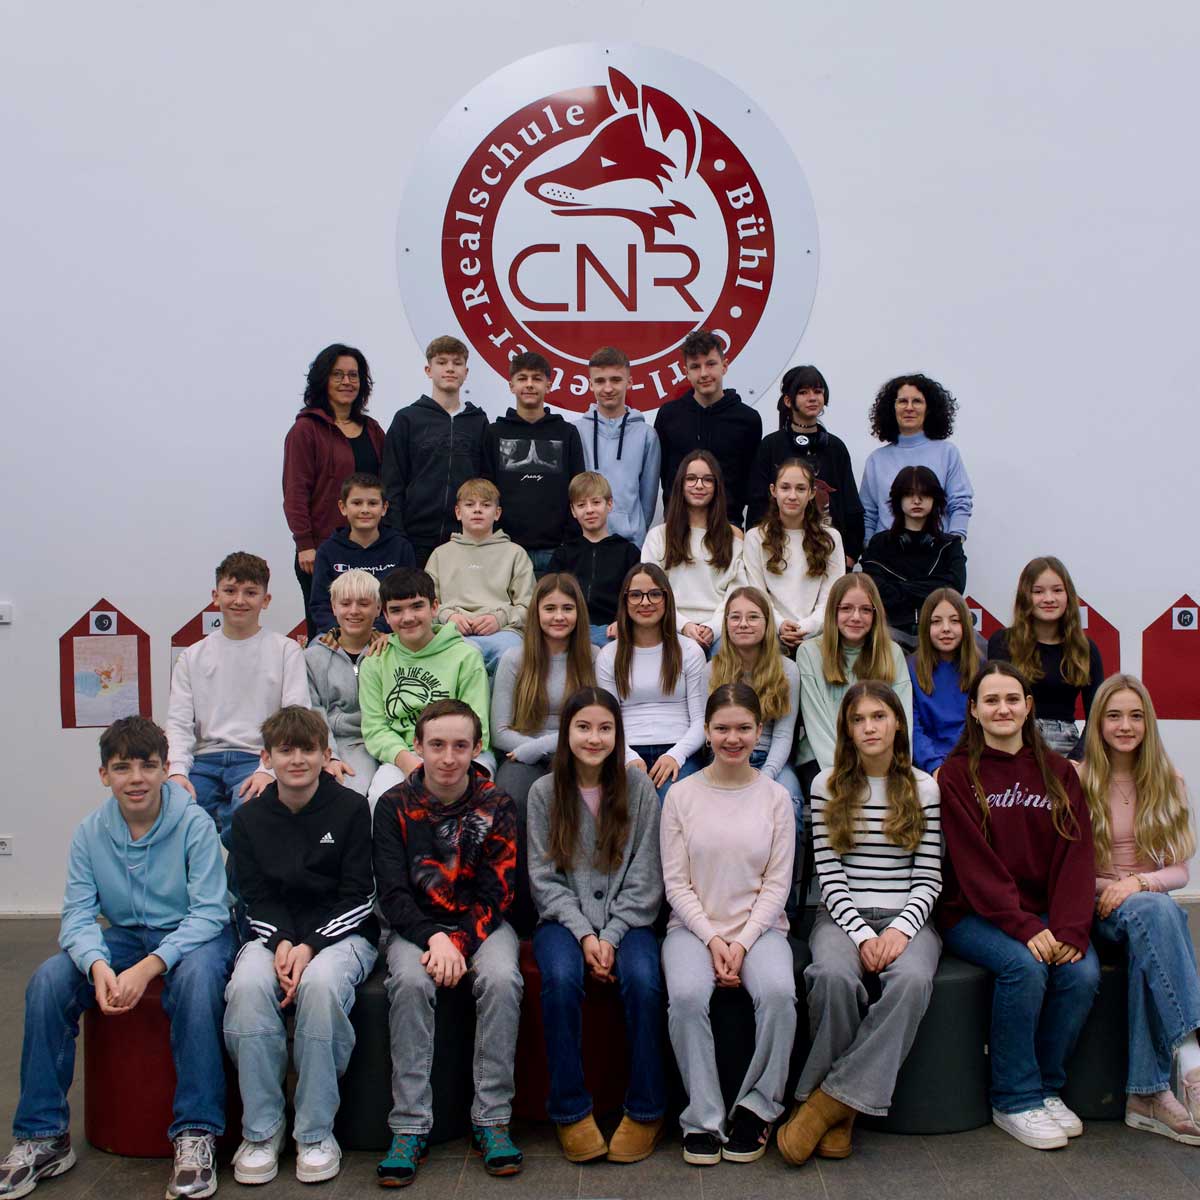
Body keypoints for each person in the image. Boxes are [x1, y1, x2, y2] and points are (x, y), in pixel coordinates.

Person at [0, 718, 233, 1200]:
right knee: (48, 981)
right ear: (104, 774)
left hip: (194, 934)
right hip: (124, 936)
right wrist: (98, 965)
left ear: (166, 770)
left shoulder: (194, 824)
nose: (136, 778)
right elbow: (77, 915)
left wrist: (149, 967)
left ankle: (197, 1133)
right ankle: (44, 1137)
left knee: (196, 983)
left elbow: (211, 912)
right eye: (123, 767)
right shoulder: (90, 832)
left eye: (148, 766)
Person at [777, 682, 941, 1165]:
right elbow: (830, 878)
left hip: (908, 916)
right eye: (858, 719)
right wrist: (864, 934)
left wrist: (899, 930)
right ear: (846, 729)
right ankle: (841, 1112)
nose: (869, 727)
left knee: (911, 981)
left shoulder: (924, 787)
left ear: (897, 724)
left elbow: (929, 878)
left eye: (879, 717)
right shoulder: (825, 785)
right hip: (841, 915)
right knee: (831, 976)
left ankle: (824, 1103)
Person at [939, 662, 1100, 1151]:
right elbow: (974, 867)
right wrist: (1024, 926)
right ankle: (1013, 1098)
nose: (1003, 709)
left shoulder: (1059, 772)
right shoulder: (956, 774)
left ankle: (1047, 1088)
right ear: (974, 710)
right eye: (991, 700)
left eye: (1012, 699)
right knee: (1024, 967)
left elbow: (1077, 855)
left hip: (1045, 916)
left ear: (1028, 707)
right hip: (974, 914)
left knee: (1082, 972)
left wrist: (1071, 929)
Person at [223, 707, 378, 1186]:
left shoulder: (352, 808)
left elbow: (360, 895)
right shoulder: (248, 819)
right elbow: (253, 897)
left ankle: (314, 1132)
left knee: (322, 987)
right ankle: (261, 1131)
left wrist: (308, 946)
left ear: (326, 755)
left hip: (342, 935)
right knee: (247, 988)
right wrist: (283, 942)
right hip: (272, 935)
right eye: (285, 750)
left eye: (307, 749)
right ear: (266, 758)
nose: (297, 760)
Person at [373, 700, 524, 1186]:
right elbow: (392, 895)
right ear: (418, 746)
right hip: (415, 926)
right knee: (410, 984)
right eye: (436, 745)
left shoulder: (497, 804)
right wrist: (434, 938)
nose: (448, 757)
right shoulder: (393, 805)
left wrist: (456, 943)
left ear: (477, 748)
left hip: (481, 924)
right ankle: (409, 1125)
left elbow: (498, 893)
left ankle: (492, 1118)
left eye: (460, 746)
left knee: (502, 979)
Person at [527, 687, 666, 1163]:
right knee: (561, 978)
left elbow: (646, 877)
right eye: (583, 727)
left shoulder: (639, 788)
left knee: (644, 980)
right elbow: (544, 880)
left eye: (605, 728)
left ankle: (647, 1109)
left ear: (618, 735)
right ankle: (570, 1110)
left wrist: (611, 935)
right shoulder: (544, 793)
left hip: (629, 921)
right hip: (563, 921)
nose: (594, 738)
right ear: (566, 733)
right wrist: (586, 934)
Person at [661, 683, 796, 1164]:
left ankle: (759, 1108)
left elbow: (777, 885)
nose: (732, 738)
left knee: (779, 994)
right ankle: (703, 1117)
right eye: (722, 728)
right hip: (692, 928)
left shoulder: (777, 797)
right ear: (706, 731)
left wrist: (741, 942)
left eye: (743, 728)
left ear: (759, 732)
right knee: (686, 997)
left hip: (760, 929)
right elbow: (676, 884)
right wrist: (714, 938)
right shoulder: (680, 796)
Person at [1078, 674, 1200, 1143]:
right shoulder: (1078, 779)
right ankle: (1191, 1060)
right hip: (1097, 910)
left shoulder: (1169, 780)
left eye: (1135, 716)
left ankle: (1147, 1096)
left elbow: (1179, 870)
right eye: (1114, 716)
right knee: (1160, 913)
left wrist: (1137, 883)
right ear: (1098, 723)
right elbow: (1065, 869)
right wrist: (1115, 888)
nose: (1125, 726)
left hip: (1146, 909)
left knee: (1155, 915)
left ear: (1148, 722)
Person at [166, 552, 309, 840]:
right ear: (215, 596)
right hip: (203, 761)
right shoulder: (192, 657)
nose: (239, 600)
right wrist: (177, 772)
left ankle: (238, 873)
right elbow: (178, 724)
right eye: (230, 591)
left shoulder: (286, 651)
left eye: (250, 593)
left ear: (265, 600)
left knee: (250, 816)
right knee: (175, 814)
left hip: (257, 758)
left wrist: (268, 770)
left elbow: (295, 719)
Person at [491, 573, 599, 933]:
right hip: (520, 753)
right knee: (512, 799)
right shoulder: (514, 659)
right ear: (536, 613)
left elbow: (602, 722)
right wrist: (534, 749)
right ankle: (522, 910)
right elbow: (500, 732)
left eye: (567, 608)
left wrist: (545, 746)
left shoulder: (593, 657)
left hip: (580, 752)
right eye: (550, 608)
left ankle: (584, 907)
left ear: (579, 613)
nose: (558, 616)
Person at [359, 567, 493, 808]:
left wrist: (442, 758)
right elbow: (374, 728)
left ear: (434, 607)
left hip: (460, 751)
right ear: (385, 616)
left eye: (417, 606)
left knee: (470, 799)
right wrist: (406, 761)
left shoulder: (465, 656)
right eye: (396, 610)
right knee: (381, 799)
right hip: (404, 754)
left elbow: (477, 724)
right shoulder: (375, 661)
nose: (408, 617)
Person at [283, 343, 386, 636]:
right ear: (323, 380)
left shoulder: (373, 430)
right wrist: (305, 544)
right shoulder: (306, 430)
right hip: (321, 553)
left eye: (353, 375)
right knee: (328, 634)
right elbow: (295, 491)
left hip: (369, 550)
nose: (346, 381)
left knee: (374, 633)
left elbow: (386, 486)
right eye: (337, 374)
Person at [597, 565, 708, 803]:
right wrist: (628, 757)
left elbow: (701, 720)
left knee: (672, 802)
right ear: (625, 601)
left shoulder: (690, 651)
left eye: (655, 594)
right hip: (626, 750)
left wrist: (675, 755)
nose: (645, 602)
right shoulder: (609, 655)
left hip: (680, 749)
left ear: (667, 599)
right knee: (627, 807)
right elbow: (607, 721)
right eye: (636, 595)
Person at [381, 335, 489, 567]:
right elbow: (392, 482)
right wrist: (397, 534)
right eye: (442, 362)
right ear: (428, 370)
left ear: (466, 372)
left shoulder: (478, 422)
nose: (450, 368)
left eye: (457, 363)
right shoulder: (407, 419)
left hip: (465, 539)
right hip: (414, 539)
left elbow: (487, 480)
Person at [796, 574, 912, 782]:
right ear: (833, 611)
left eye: (865, 610)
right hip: (824, 760)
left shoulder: (892, 652)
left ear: (875, 614)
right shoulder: (809, 652)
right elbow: (816, 722)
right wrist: (845, 774)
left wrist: (889, 766)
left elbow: (903, 721)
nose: (856, 617)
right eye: (846, 608)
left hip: (879, 758)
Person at [987, 555, 1103, 760]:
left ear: (1068, 595)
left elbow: (1097, 715)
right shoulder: (1003, 643)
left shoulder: (1085, 649)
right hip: (1014, 742)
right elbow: (995, 705)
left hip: (1068, 749)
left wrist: (1077, 760)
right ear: (1025, 596)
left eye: (1057, 590)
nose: (1049, 599)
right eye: (1038, 591)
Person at [708, 586, 803, 834]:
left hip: (772, 760)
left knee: (788, 803)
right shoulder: (711, 670)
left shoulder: (787, 670)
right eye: (735, 617)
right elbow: (705, 728)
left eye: (752, 617)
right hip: (723, 758)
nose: (743, 624)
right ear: (725, 623)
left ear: (767, 623)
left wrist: (765, 778)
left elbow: (783, 734)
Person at [482, 351, 585, 575]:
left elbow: (578, 490)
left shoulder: (567, 433)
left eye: (537, 378)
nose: (529, 384)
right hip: (505, 549)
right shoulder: (494, 433)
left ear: (549, 385)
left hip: (557, 550)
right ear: (511, 385)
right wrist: (495, 537)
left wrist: (568, 540)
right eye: (522, 378)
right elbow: (485, 490)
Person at [747, 365, 864, 563]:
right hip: (778, 552)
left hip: (829, 553)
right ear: (788, 400)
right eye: (803, 392)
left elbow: (851, 504)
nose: (812, 398)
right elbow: (757, 505)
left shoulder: (836, 447)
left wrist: (851, 554)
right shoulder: (770, 446)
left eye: (818, 391)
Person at [424, 478, 535, 679]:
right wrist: (448, 616)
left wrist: (500, 618)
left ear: (497, 513)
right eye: (469, 504)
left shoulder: (515, 553)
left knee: (513, 656)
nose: (477, 510)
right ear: (458, 512)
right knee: (458, 653)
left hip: (503, 633)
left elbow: (530, 606)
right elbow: (425, 604)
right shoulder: (440, 554)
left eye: (485, 505)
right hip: (453, 633)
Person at [654, 329, 762, 527]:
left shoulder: (748, 420)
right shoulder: (668, 416)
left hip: (728, 526)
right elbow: (664, 474)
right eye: (695, 366)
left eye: (711, 364)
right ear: (686, 372)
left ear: (724, 366)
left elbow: (751, 483)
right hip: (678, 526)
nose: (704, 373)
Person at [642, 451, 744, 655]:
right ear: (680, 484)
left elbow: (738, 592)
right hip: (670, 627)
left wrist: (712, 628)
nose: (699, 485)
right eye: (691, 478)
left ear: (717, 487)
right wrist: (684, 626)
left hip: (720, 630)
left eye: (707, 480)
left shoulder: (732, 539)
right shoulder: (658, 537)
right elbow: (651, 589)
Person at [742, 459, 845, 653]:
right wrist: (780, 625)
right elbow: (757, 594)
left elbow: (831, 596)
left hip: (818, 637)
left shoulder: (830, 538)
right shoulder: (755, 538)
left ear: (812, 493)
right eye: (785, 487)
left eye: (800, 489)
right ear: (773, 490)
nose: (792, 496)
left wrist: (806, 628)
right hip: (770, 636)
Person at [860, 465, 966, 649]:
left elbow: (954, 588)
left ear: (935, 499)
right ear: (898, 499)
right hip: (890, 631)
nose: (917, 500)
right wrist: (931, 586)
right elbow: (876, 591)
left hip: (939, 630)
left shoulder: (950, 545)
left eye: (924, 494)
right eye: (909, 494)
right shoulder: (879, 543)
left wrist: (899, 587)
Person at [859, 373, 972, 544]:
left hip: (936, 553)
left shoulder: (947, 453)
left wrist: (954, 542)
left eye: (917, 401)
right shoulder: (876, 460)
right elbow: (868, 514)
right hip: (887, 555)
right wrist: (870, 548)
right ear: (892, 408)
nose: (909, 408)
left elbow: (960, 502)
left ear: (929, 408)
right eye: (902, 401)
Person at [305, 569, 384, 798]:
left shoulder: (391, 650)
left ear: (378, 608)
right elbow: (314, 713)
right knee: (349, 793)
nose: (354, 611)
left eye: (364, 603)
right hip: (339, 743)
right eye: (346, 603)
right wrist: (329, 755)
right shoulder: (312, 657)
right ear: (333, 607)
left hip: (384, 739)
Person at [308, 473, 415, 636]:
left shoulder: (401, 548)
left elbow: (407, 599)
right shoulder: (327, 551)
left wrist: (377, 630)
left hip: (387, 633)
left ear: (384, 508)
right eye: (357, 503)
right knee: (316, 648)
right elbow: (319, 604)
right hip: (337, 633)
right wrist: (341, 633)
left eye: (372, 503)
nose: (365, 510)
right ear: (343, 507)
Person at [578, 347, 661, 547]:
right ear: (590, 384)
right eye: (600, 381)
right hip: (585, 542)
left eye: (616, 380)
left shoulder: (646, 435)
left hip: (630, 544)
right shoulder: (576, 431)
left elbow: (648, 498)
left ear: (629, 382)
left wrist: (636, 531)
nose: (608, 388)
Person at [548, 472, 641, 647]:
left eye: (596, 502)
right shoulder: (563, 554)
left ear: (609, 504)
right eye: (581, 505)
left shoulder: (628, 553)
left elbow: (637, 595)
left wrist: (624, 621)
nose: (589, 510)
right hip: (571, 630)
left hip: (613, 631)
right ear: (573, 511)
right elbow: (548, 597)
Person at [908, 588, 984, 775]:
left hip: (973, 762)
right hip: (926, 767)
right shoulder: (910, 668)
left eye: (955, 620)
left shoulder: (981, 667)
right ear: (925, 626)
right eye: (936, 621)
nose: (946, 628)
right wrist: (935, 767)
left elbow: (982, 724)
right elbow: (914, 728)